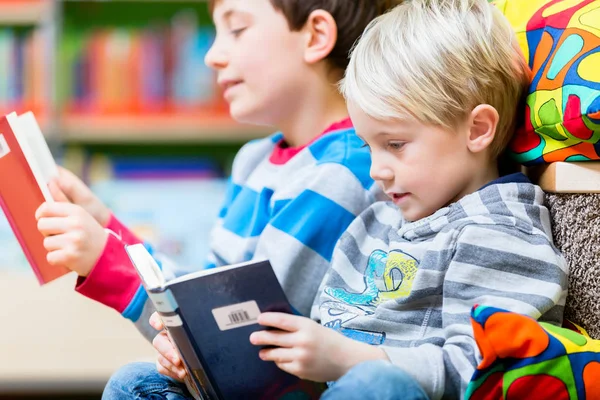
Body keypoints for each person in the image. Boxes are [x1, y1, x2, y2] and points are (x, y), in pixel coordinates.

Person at [35, 0, 398, 398]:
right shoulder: (254, 161)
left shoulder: (341, 172)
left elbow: (237, 342)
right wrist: (106, 226)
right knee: (135, 383)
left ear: (315, 36)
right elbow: (203, 299)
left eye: (237, 29)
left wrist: (108, 261)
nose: (211, 55)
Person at [247, 0, 569, 399]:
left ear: (478, 130)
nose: (376, 171)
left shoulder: (500, 235)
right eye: (369, 147)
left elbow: (481, 376)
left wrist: (348, 359)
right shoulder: (375, 222)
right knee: (149, 379)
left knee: (375, 385)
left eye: (395, 144)